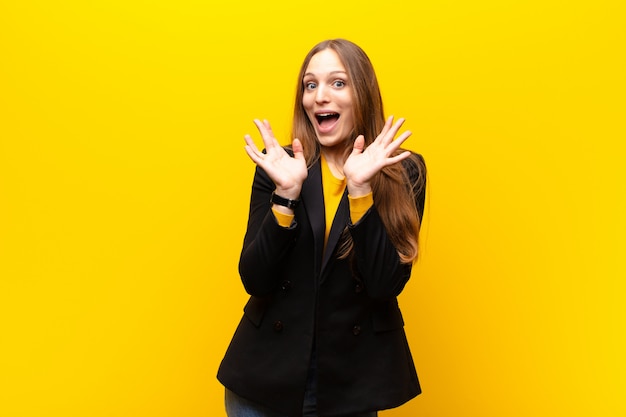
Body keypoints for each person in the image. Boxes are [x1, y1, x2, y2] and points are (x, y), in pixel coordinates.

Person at [217, 39, 427, 417]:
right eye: (310, 85)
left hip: (350, 383)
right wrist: (286, 196)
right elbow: (255, 279)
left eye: (338, 83)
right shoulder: (279, 166)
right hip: (265, 381)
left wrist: (361, 190)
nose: (319, 97)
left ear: (363, 92)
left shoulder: (403, 171)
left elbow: (384, 285)